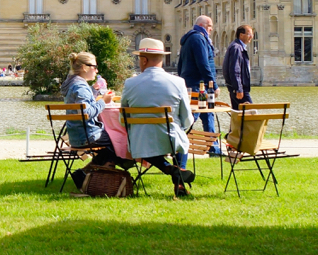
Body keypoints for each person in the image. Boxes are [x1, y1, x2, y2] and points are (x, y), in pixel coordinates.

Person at [120, 38, 197, 197]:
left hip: (139, 142)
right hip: (170, 139)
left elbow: (123, 114)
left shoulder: (130, 83)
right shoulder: (178, 82)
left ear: (144, 60)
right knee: (180, 136)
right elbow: (188, 119)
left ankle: (170, 169)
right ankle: (179, 181)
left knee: (146, 137)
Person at [60, 52, 123, 191]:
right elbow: (86, 113)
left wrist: (93, 91)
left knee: (111, 147)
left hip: (76, 135)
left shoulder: (74, 83)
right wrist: (103, 102)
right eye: (94, 67)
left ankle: (84, 174)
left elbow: (83, 105)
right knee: (121, 139)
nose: (97, 70)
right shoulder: (80, 87)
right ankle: (101, 181)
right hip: (87, 135)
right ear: (84, 67)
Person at [176, 15, 218, 133]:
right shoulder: (198, 39)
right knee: (191, 118)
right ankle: (178, 144)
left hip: (192, 84)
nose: (211, 29)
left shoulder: (189, 39)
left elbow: (180, 65)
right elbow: (203, 64)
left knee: (208, 116)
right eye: (209, 26)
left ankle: (213, 148)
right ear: (201, 25)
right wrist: (213, 85)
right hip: (198, 86)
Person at [224, 25, 254, 112]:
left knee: (238, 114)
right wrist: (238, 88)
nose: (251, 37)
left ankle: (235, 126)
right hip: (239, 89)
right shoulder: (236, 48)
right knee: (251, 113)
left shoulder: (237, 47)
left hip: (237, 87)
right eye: (249, 34)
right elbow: (235, 69)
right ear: (241, 35)